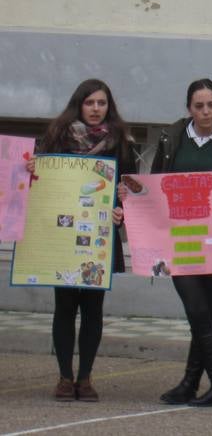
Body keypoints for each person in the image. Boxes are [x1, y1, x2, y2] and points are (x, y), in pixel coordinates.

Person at [149, 79, 212, 407]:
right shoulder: (172, 137)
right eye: (199, 106)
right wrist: (131, 193)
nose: (206, 112)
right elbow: (153, 185)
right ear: (189, 108)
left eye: (211, 105)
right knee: (196, 308)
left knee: (203, 311)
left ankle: (192, 381)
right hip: (178, 236)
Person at [35, 79, 138, 402]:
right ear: (79, 104)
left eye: (102, 103)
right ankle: (65, 378)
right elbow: (38, 182)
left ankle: (86, 377)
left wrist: (123, 207)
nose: (96, 109)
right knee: (64, 305)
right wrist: (31, 168)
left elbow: (133, 187)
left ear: (110, 107)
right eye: (90, 103)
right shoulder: (57, 138)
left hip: (100, 236)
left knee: (93, 308)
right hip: (63, 235)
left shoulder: (120, 142)